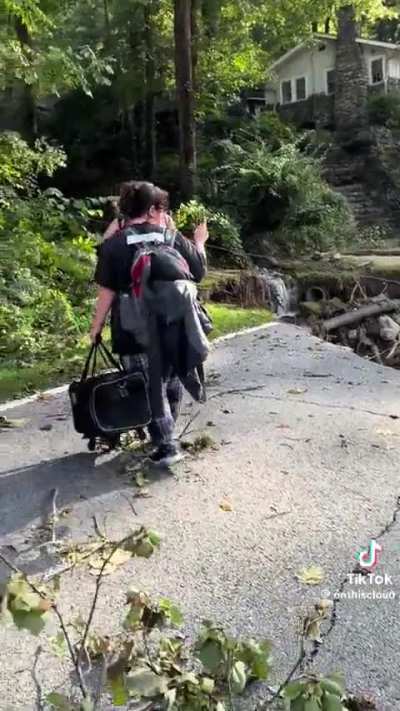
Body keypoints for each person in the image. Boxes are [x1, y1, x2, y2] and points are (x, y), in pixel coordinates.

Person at [90, 181, 209, 466]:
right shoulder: (171, 237)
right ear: (154, 209)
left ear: (124, 210)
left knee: (147, 383)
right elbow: (199, 272)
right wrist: (200, 242)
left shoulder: (114, 246)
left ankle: (165, 443)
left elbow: (106, 292)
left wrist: (95, 328)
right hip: (176, 324)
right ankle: (166, 436)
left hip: (134, 328)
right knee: (169, 379)